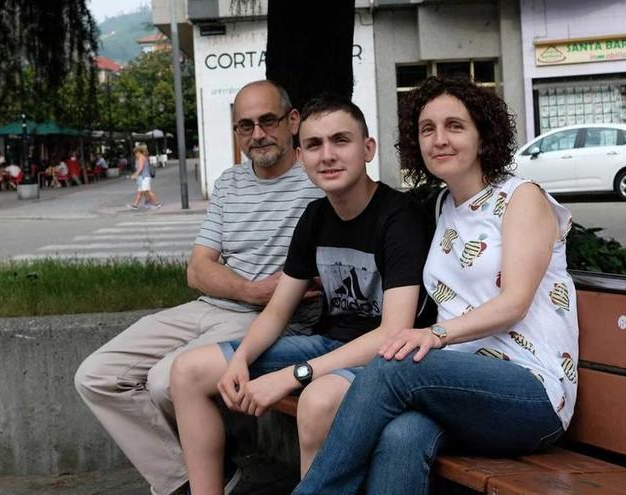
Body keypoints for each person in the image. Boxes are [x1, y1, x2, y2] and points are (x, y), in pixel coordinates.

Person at [294, 76, 580, 495]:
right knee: (403, 436)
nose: (439, 139)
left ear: (483, 137)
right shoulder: (444, 206)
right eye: (428, 129)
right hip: (456, 389)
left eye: (455, 126)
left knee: (396, 365)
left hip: (531, 392)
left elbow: (513, 304)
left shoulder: (523, 198)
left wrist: (433, 335)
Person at [170, 95, 432, 495]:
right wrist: (241, 359)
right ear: (301, 155)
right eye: (314, 145)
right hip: (329, 343)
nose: (327, 155)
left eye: (340, 141)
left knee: (316, 401)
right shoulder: (315, 217)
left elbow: (391, 334)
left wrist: (297, 374)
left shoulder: (399, 217)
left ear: (368, 148)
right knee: (188, 372)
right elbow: (277, 312)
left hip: (385, 362)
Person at [74, 80, 325, 495]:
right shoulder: (230, 182)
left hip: (275, 322)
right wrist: (250, 290)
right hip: (217, 305)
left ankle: (200, 482)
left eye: (268, 120)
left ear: (292, 121)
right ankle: (190, 478)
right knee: (95, 376)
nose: (258, 134)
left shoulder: (317, 178)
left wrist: (268, 297)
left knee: (162, 381)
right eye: (245, 126)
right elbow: (197, 270)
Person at [127, 144, 162, 209]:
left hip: (144, 177)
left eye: (136, 153)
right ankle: (135, 205)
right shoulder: (142, 158)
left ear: (139, 152)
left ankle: (157, 203)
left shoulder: (141, 158)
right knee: (140, 192)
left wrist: (134, 175)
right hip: (143, 177)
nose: (135, 154)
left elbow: (140, 168)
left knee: (147, 191)